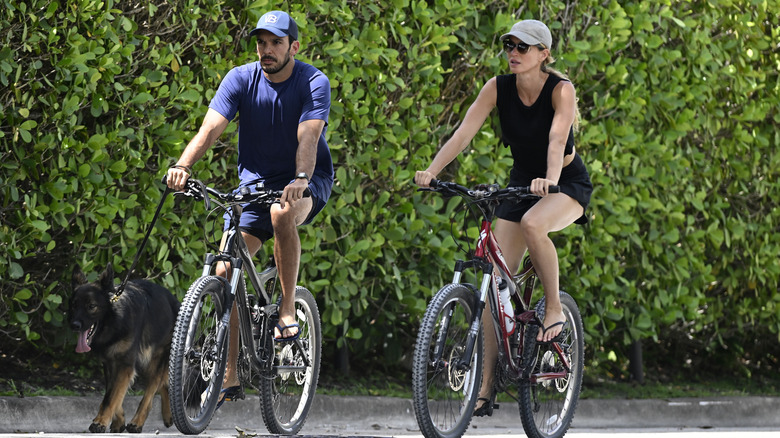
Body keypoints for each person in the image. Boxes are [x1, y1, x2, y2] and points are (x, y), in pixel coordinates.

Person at [414, 19, 592, 416]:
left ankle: (554, 309)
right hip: (520, 185)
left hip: (563, 183)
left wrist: (549, 179)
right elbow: (464, 133)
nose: (513, 52)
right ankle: (486, 386)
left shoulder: (561, 90)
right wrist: (433, 171)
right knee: (496, 288)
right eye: (509, 44)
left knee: (534, 225)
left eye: (523, 47)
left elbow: (557, 137)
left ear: (544, 54)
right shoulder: (497, 88)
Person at [166, 10, 333, 406]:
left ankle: (289, 310)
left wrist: (300, 178)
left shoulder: (313, 81)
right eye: (261, 42)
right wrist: (182, 166)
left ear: (293, 46)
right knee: (225, 271)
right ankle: (228, 374)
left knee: (280, 214)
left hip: (306, 181)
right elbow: (209, 130)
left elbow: (308, 137)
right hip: (253, 187)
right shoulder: (240, 78)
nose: (267, 50)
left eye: (276, 42)